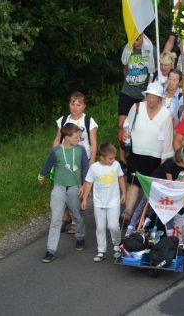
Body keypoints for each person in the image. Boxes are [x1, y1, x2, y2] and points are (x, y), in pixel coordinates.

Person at [122, 83, 174, 221]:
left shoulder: (166, 114)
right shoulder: (137, 107)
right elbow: (127, 123)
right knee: (133, 182)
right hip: (136, 152)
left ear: (160, 98)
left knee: (151, 187)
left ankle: (146, 216)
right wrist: (126, 133)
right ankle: (128, 212)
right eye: (149, 96)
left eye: (154, 97)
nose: (151, 100)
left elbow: (168, 136)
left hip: (156, 156)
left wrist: (165, 157)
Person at [38, 123, 89, 263]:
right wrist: (41, 175)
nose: (79, 139)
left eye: (79, 136)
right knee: (56, 219)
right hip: (59, 188)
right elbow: (48, 163)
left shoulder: (81, 150)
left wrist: (84, 185)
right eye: (76, 137)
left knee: (77, 215)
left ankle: (80, 237)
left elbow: (85, 167)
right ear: (66, 137)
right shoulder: (56, 151)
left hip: (75, 188)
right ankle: (50, 250)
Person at [52, 91, 98, 234]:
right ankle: (65, 217)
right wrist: (54, 155)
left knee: (78, 189)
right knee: (63, 187)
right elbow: (57, 138)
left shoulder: (89, 121)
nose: (75, 107)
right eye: (73, 104)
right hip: (65, 160)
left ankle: (75, 221)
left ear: (84, 106)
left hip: (81, 160)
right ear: (69, 105)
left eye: (79, 104)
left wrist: (91, 161)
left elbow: (93, 142)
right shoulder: (64, 120)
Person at [80, 143, 126, 262]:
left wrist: (124, 192)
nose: (113, 160)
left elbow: (121, 178)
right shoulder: (94, 167)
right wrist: (84, 199)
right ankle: (101, 251)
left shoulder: (116, 165)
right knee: (100, 227)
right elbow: (88, 183)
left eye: (114, 157)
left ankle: (117, 245)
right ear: (102, 157)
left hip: (113, 201)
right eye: (110, 158)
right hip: (99, 202)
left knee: (113, 225)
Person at [118, 33, 155, 160]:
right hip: (127, 92)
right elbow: (125, 67)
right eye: (132, 39)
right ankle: (122, 158)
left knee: (138, 126)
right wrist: (130, 80)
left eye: (137, 39)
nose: (134, 42)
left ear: (142, 37)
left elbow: (153, 71)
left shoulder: (150, 49)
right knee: (122, 124)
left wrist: (147, 93)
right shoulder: (126, 49)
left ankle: (134, 154)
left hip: (142, 95)